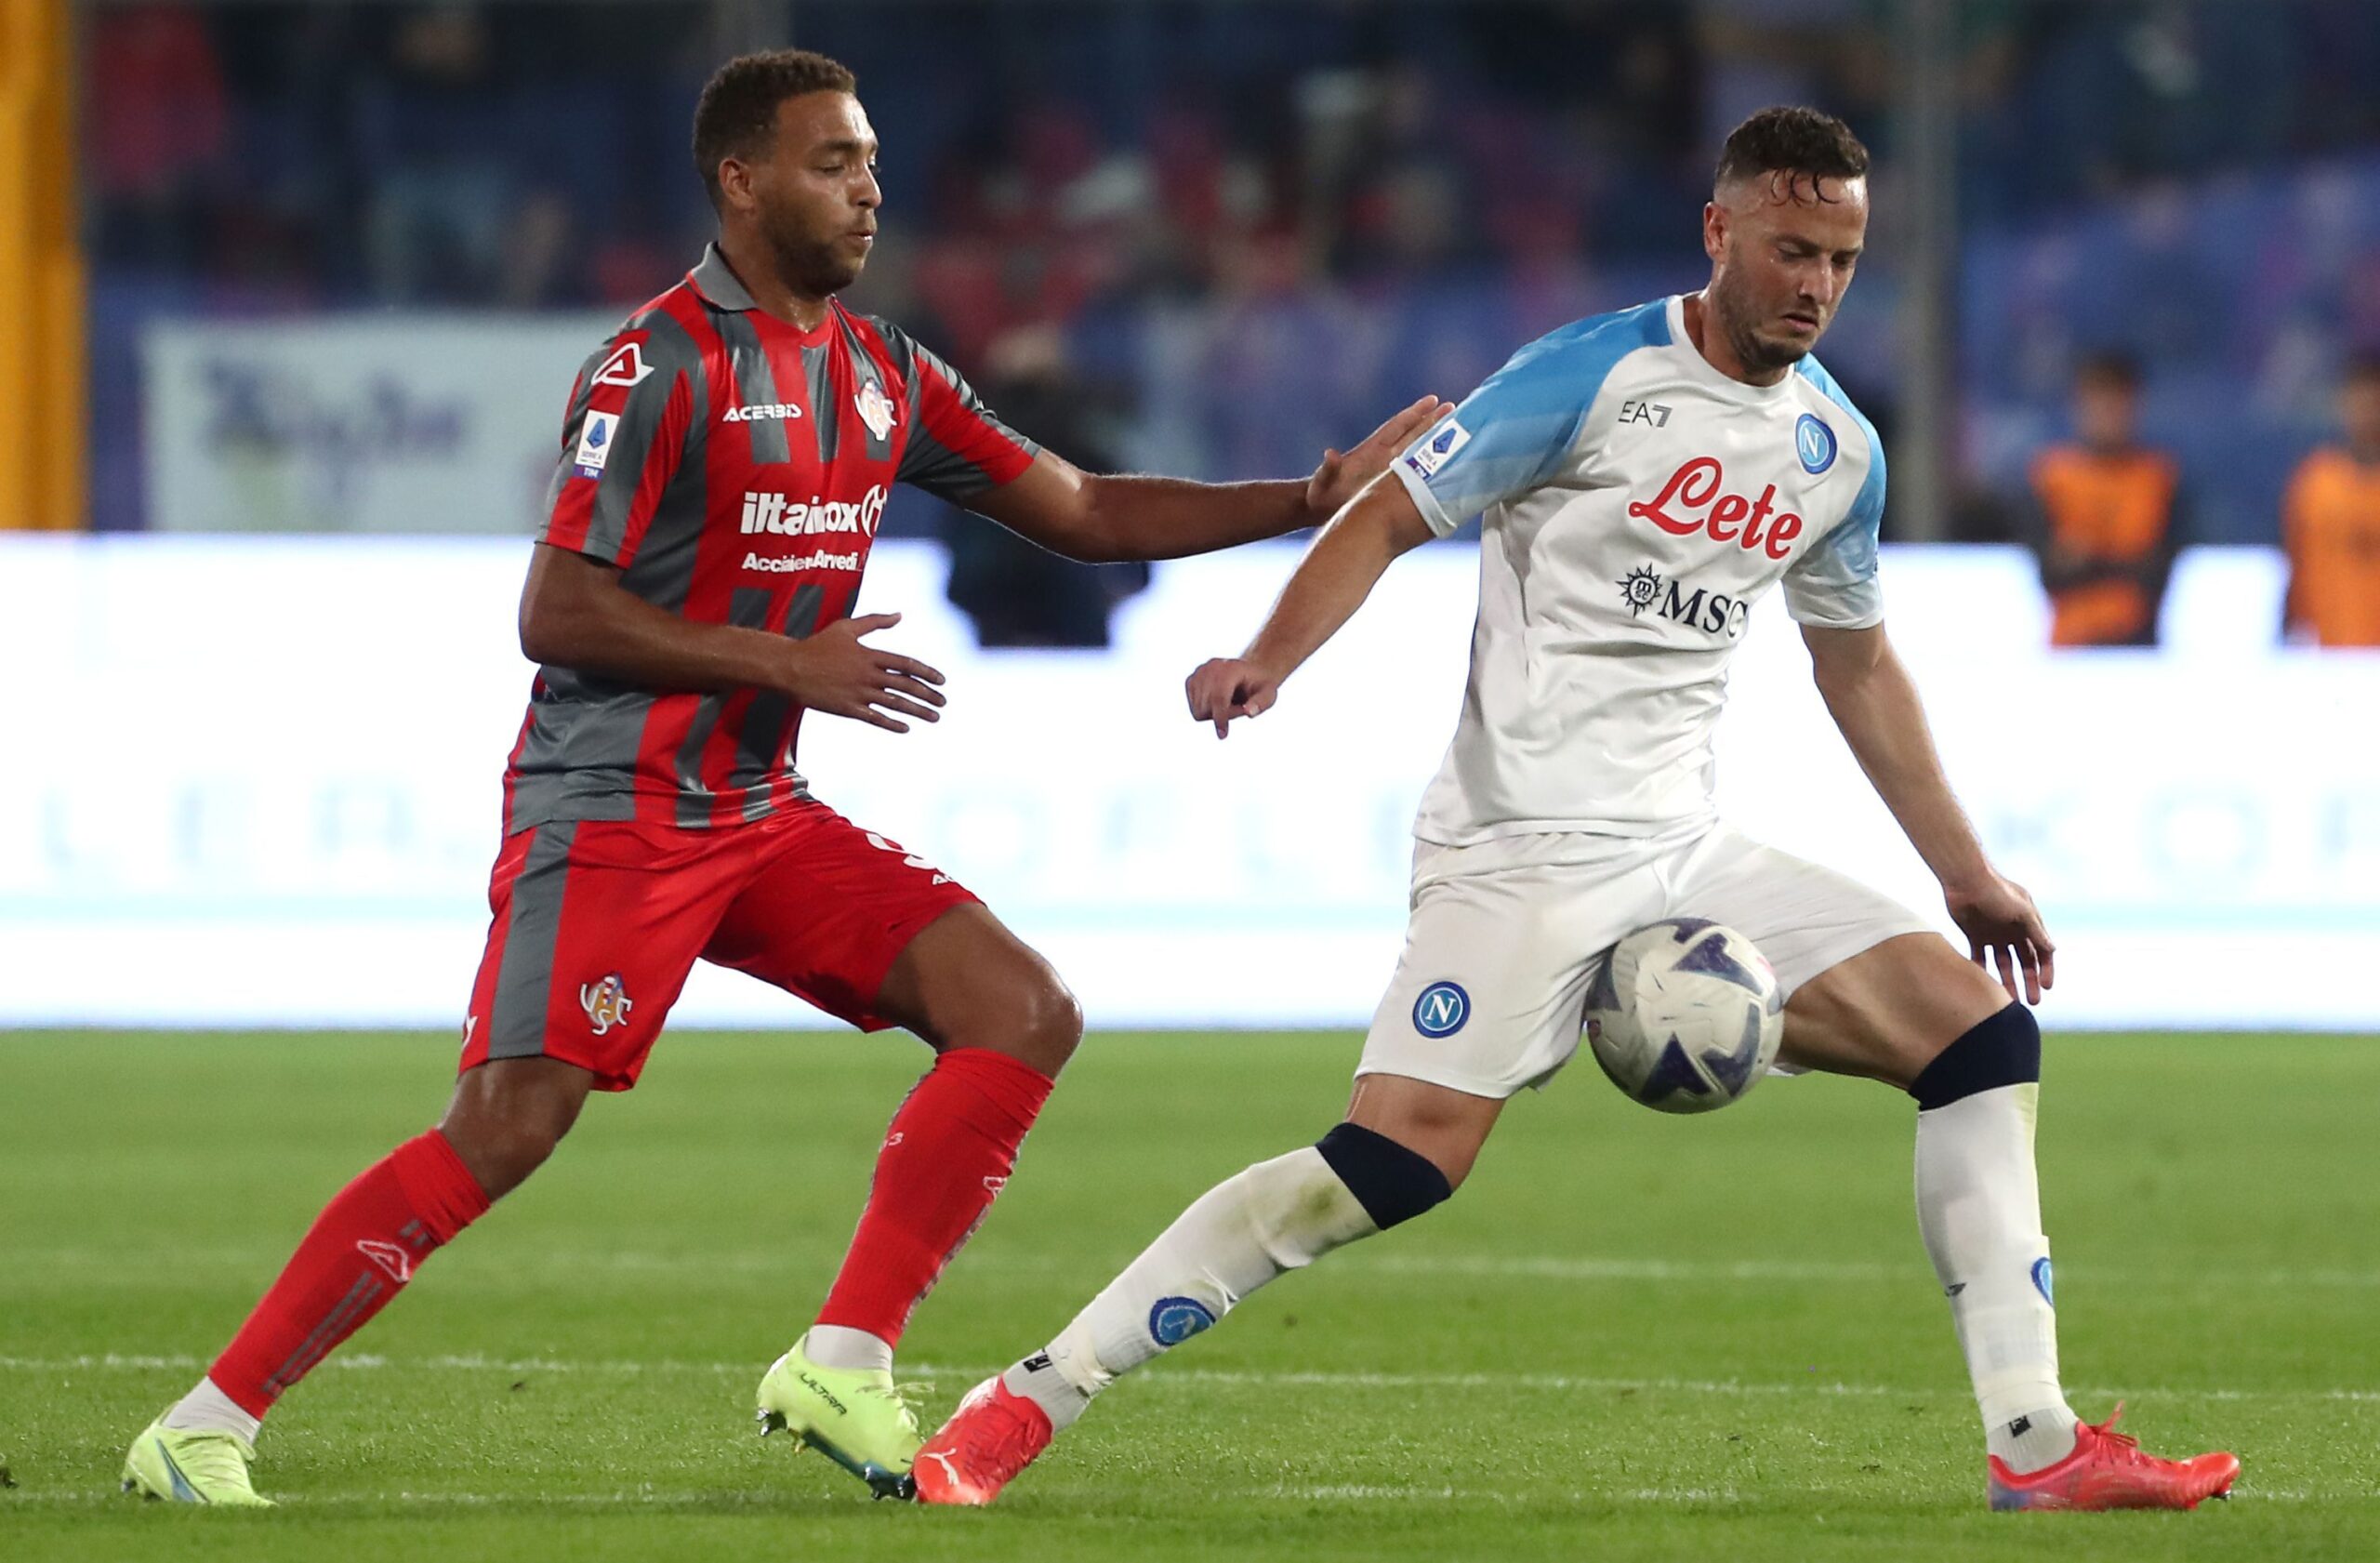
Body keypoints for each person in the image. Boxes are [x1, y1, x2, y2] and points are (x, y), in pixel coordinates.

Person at [119, 48, 1438, 1508]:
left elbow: (1081, 505)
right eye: (832, 163)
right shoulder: (656, 367)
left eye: (870, 161)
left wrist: (1307, 497)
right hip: (612, 807)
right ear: (742, 182)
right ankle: (203, 1422)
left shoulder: (881, 371)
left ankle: (844, 1359)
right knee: (506, 1127)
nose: (869, 190)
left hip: (754, 812)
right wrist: (781, 661)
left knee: (1020, 1010)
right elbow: (555, 610)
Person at [915, 107, 2238, 1515]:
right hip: (1519, 853)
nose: (1815, 285)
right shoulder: (1589, 376)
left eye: (1843, 260)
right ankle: (1030, 1397)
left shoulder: (1836, 450)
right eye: (1791, 249)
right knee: (1384, 1167)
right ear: (1719, 230)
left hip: (1685, 848)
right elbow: (1387, 514)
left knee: (1978, 1040)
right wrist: (1269, 656)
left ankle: (2034, 1444)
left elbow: (1853, 660)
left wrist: (1964, 872)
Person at [2025, 353, 2187, 647]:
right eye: (2098, 401)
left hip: (2137, 645)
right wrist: (2124, 561)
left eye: (2115, 402)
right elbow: (2049, 572)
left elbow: (2158, 572)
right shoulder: (2052, 477)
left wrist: (2088, 560)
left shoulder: (2158, 477)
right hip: (2069, 646)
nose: (2106, 414)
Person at [2281, 353, 2380, 647]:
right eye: (2358, 400)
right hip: (2329, 650)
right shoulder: (2315, 480)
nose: (2366, 413)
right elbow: (2296, 560)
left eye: (2373, 401)